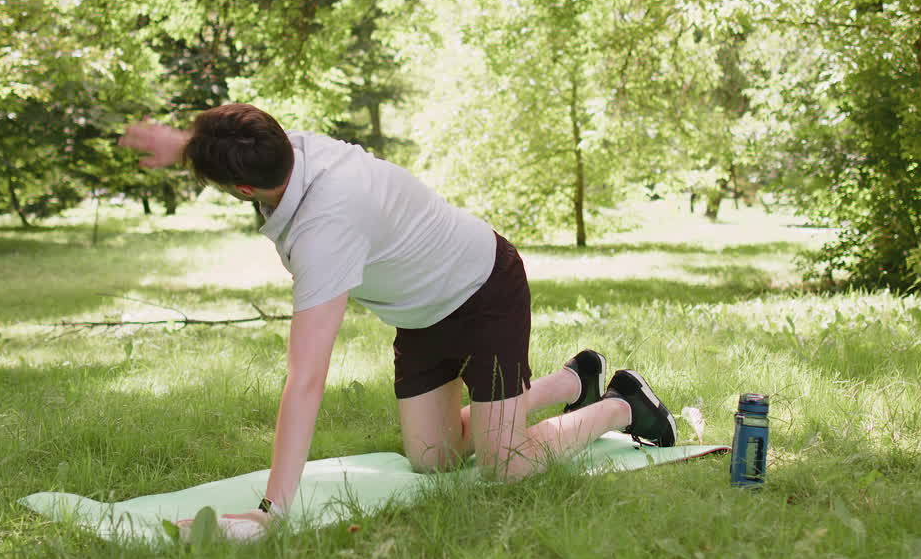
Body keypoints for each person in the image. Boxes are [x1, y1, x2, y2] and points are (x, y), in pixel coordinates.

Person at [117, 102, 677, 533]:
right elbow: (237, 135)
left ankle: (620, 404)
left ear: (242, 190)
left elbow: (306, 380)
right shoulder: (286, 147)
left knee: (503, 465)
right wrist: (188, 144)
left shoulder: (326, 228)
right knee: (434, 460)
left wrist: (272, 510)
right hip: (421, 314)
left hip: (485, 292)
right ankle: (573, 379)